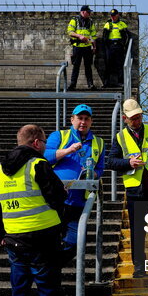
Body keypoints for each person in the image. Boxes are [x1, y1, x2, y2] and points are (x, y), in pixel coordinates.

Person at [0, 124, 72, 296]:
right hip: (44, 239)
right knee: (47, 294)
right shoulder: (38, 165)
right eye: (44, 143)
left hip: (15, 242)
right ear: (36, 143)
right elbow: (57, 197)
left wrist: (2, 235)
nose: (45, 147)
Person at [106, 98, 148, 277]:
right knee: (138, 232)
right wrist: (128, 162)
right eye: (133, 118)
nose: (137, 121)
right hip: (136, 191)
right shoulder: (120, 137)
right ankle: (139, 267)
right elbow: (111, 161)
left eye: (139, 117)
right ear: (125, 119)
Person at [45, 104, 105, 265]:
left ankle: (55, 266)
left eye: (86, 119)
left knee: (73, 243)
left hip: (78, 202)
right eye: (80, 118)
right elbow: (44, 156)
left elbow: (101, 168)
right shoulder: (59, 136)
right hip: (55, 201)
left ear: (91, 121)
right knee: (50, 242)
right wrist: (68, 150)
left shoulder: (98, 142)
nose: (83, 122)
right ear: (72, 119)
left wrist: (93, 174)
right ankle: (51, 274)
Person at [67, 5, 97, 90]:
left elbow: (93, 36)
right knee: (76, 66)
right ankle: (73, 84)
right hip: (77, 46)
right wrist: (79, 36)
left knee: (88, 66)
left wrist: (94, 47)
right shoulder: (75, 20)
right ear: (83, 12)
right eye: (88, 12)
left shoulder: (91, 22)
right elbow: (70, 32)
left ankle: (90, 84)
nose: (89, 14)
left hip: (87, 47)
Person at [100, 9, 129, 89]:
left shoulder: (122, 24)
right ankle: (106, 82)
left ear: (117, 15)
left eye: (114, 15)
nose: (112, 17)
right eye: (111, 16)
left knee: (120, 64)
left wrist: (123, 45)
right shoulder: (107, 24)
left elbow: (127, 36)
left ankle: (120, 82)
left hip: (119, 45)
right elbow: (104, 37)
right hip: (110, 46)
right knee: (108, 64)